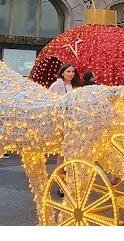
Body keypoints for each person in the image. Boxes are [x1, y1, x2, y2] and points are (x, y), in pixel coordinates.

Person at [49, 62, 83, 197]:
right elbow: (51, 103)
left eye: (73, 72)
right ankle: (61, 184)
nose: (71, 74)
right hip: (62, 123)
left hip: (74, 124)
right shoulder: (56, 86)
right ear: (62, 72)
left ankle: (71, 182)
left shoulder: (75, 86)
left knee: (73, 154)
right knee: (62, 155)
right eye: (68, 71)